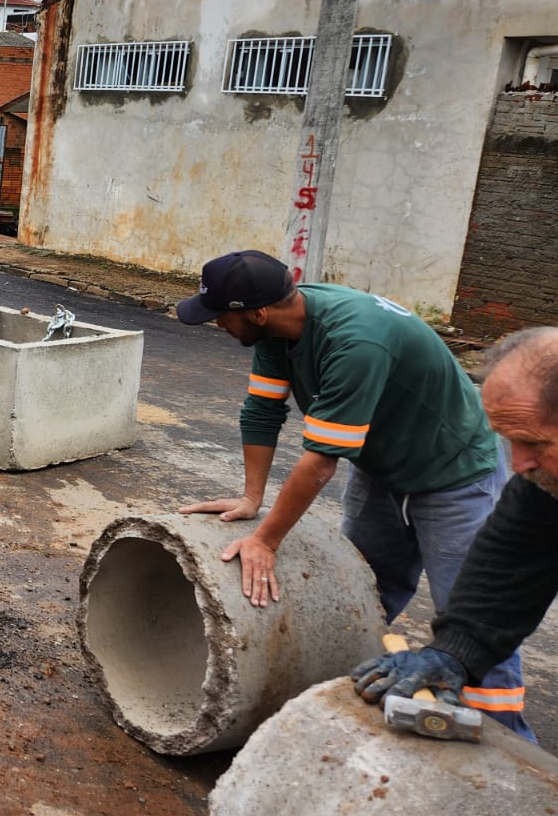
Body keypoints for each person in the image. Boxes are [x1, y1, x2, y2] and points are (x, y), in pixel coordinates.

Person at [176, 249, 532, 739]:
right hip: (381, 466)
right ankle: (361, 698)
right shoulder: (276, 329)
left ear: (256, 312)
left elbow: (320, 464)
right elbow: (262, 411)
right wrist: (251, 499)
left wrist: (265, 540)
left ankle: (506, 743)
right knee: (362, 585)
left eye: (222, 316)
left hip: (453, 471)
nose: (218, 325)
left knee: (469, 617)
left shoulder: (355, 340)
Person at [354, 327, 558, 738]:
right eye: (510, 441)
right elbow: (511, 560)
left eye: (533, 443)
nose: (518, 463)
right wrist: (454, 650)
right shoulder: (544, 483)